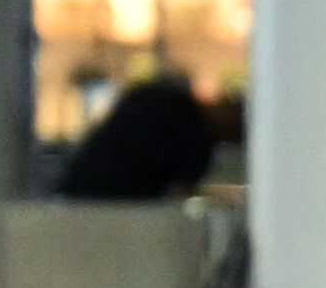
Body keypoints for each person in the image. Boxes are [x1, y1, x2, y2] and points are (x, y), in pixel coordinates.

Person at [57, 73, 221, 203]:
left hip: (88, 198)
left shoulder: (163, 103)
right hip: (124, 205)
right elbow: (185, 183)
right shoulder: (186, 122)